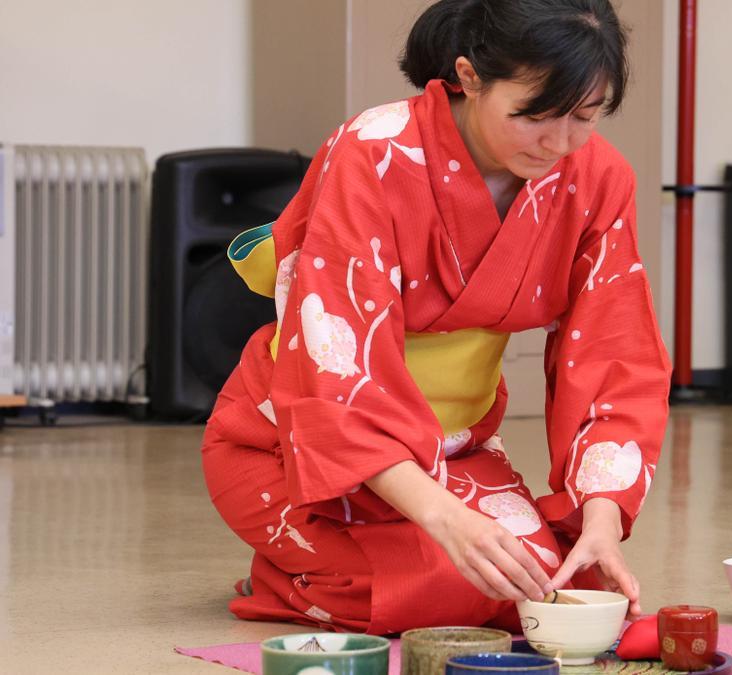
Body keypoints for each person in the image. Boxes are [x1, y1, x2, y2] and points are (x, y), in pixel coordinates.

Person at [201, 0, 670, 635]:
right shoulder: (372, 151)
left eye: (584, 117)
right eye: (535, 116)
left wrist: (602, 522)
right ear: (470, 76)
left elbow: (616, 350)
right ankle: (289, 574)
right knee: (432, 585)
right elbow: (334, 357)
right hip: (293, 441)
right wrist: (446, 518)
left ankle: (376, 559)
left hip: (455, 448)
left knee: (549, 583)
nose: (561, 144)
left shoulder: (598, 177)